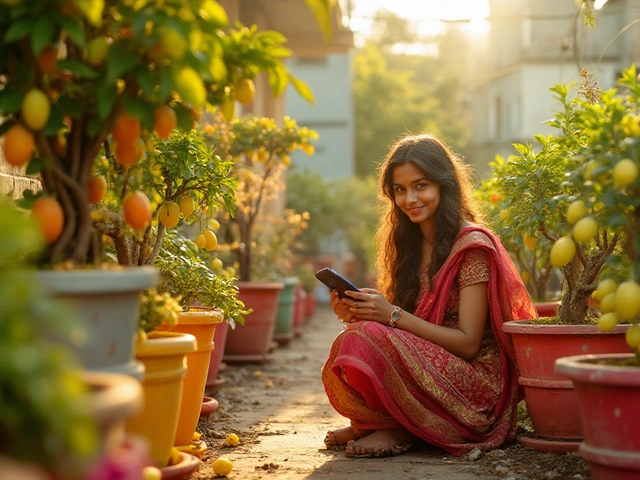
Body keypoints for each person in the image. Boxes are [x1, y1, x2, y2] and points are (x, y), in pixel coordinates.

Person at [321, 133, 536, 458]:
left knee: (366, 339)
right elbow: (404, 325)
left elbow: (468, 343)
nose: (410, 199)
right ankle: (382, 421)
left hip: (475, 384)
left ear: (444, 185)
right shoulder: (407, 244)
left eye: (421, 186)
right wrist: (360, 311)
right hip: (429, 364)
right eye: (400, 190)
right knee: (354, 337)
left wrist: (391, 315)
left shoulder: (471, 246)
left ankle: (394, 427)